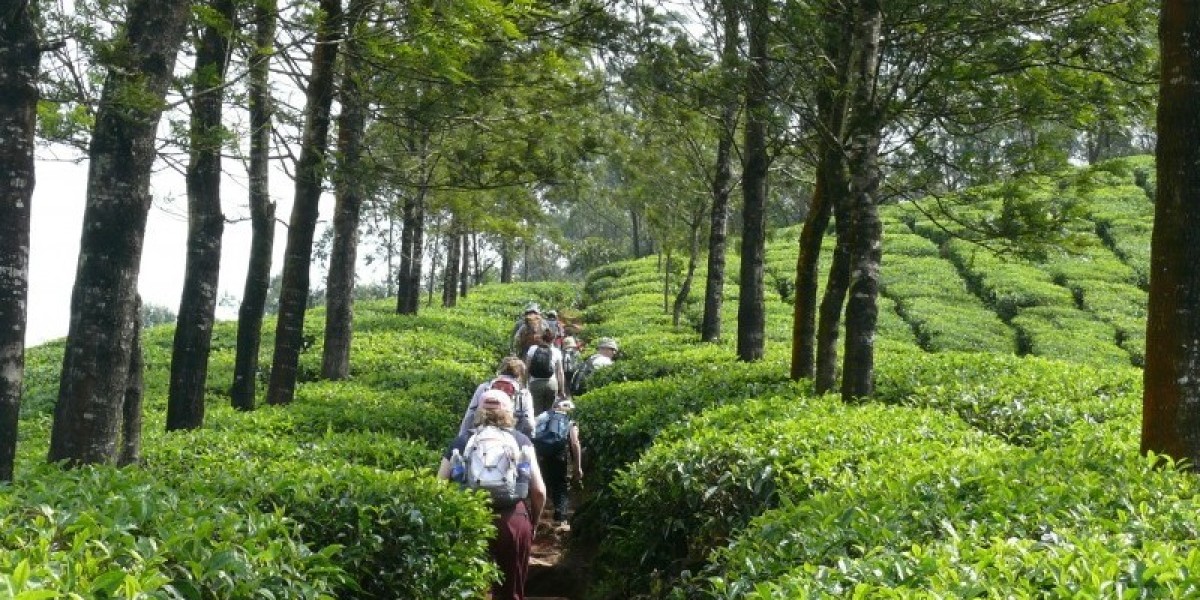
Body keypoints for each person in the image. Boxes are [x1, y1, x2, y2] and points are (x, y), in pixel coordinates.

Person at [439, 389, 546, 600]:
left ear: (478, 410)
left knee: (467, 586)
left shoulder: (460, 441)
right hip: (513, 518)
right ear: (509, 411)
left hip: (469, 518)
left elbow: (439, 486)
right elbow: (539, 491)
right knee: (510, 589)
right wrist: (534, 520)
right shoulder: (521, 440)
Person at [532, 399, 582, 528]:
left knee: (542, 483)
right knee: (560, 485)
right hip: (559, 456)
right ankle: (561, 518)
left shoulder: (543, 415)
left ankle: (537, 517)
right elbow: (575, 443)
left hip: (540, 454)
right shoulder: (570, 421)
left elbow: (530, 430)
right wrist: (577, 466)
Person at [460, 357, 536, 437]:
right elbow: (529, 422)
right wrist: (528, 439)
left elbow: (470, 414)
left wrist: (462, 437)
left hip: (482, 434)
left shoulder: (485, 387)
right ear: (520, 375)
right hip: (511, 436)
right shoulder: (523, 393)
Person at [524, 328, 567, 414]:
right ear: (553, 339)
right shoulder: (556, 351)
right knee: (549, 412)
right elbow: (560, 373)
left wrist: (524, 384)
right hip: (551, 384)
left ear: (541, 337)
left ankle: (537, 427)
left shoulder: (532, 349)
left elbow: (526, 368)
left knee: (536, 412)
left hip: (535, 383)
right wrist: (562, 390)